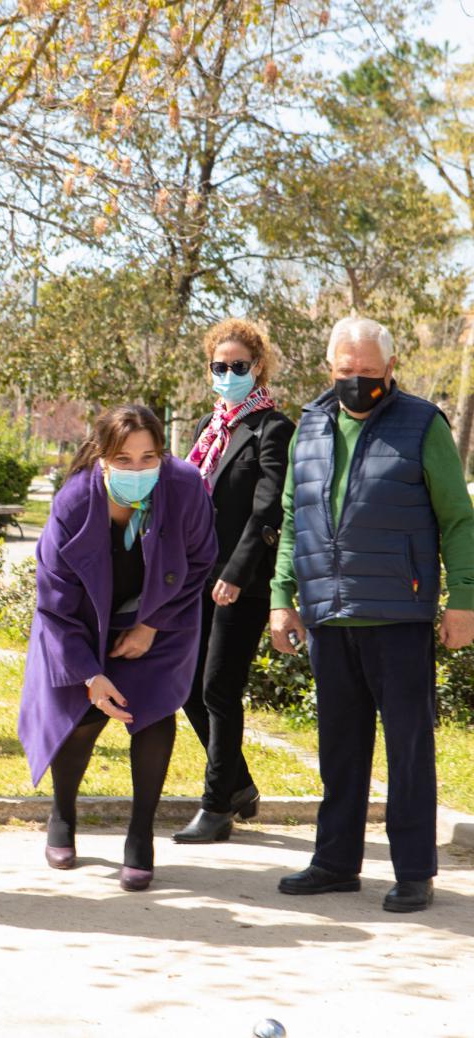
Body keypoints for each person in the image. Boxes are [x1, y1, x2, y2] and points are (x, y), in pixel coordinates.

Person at [270, 316, 474, 913]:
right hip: (328, 615)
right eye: (345, 372)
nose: (357, 382)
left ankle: (414, 870)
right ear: (329, 370)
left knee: (408, 747)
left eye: (368, 372)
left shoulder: (422, 424)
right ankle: (335, 862)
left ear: (390, 370)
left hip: (398, 613)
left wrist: (462, 598)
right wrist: (282, 597)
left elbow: (459, 519)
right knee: (339, 745)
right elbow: (291, 519)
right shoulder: (307, 427)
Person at [18, 405, 217, 892]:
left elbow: (199, 561)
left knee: (150, 715)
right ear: (102, 458)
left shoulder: (185, 486)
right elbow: (54, 604)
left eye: (148, 457)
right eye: (123, 460)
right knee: (83, 718)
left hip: (158, 618)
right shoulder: (72, 503)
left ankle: (140, 833)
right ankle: (63, 813)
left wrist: (151, 625)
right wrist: (88, 673)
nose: (136, 470)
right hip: (80, 623)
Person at [175, 318, 294, 843]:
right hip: (194, 575)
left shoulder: (273, 428)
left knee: (219, 688)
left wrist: (236, 573)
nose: (227, 375)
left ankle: (217, 805)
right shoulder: (210, 425)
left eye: (238, 367)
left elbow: (269, 510)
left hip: (240, 581)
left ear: (258, 367)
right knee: (187, 689)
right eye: (219, 367)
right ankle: (240, 784)